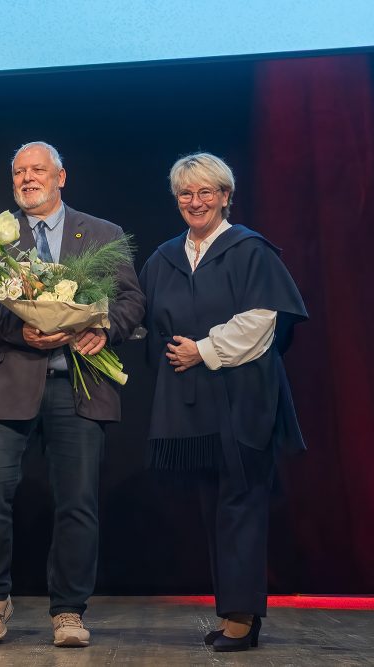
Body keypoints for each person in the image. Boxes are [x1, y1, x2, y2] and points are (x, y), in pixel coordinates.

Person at [0, 141, 144, 647]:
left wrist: (103, 328)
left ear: (61, 177)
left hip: (78, 385)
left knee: (78, 501)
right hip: (3, 384)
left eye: (37, 170)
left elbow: (131, 300)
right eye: (19, 172)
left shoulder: (102, 233)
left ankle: (68, 610)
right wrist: (20, 332)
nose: (28, 178)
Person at [139, 152, 307, 652]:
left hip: (244, 397)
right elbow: (140, 313)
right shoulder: (166, 257)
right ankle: (234, 609)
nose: (196, 202)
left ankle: (242, 616)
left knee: (241, 503)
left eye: (206, 192)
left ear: (226, 196)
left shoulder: (250, 250)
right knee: (214, 504)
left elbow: (261, 321)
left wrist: (204, 349)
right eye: (186, 193)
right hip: (194, 404)